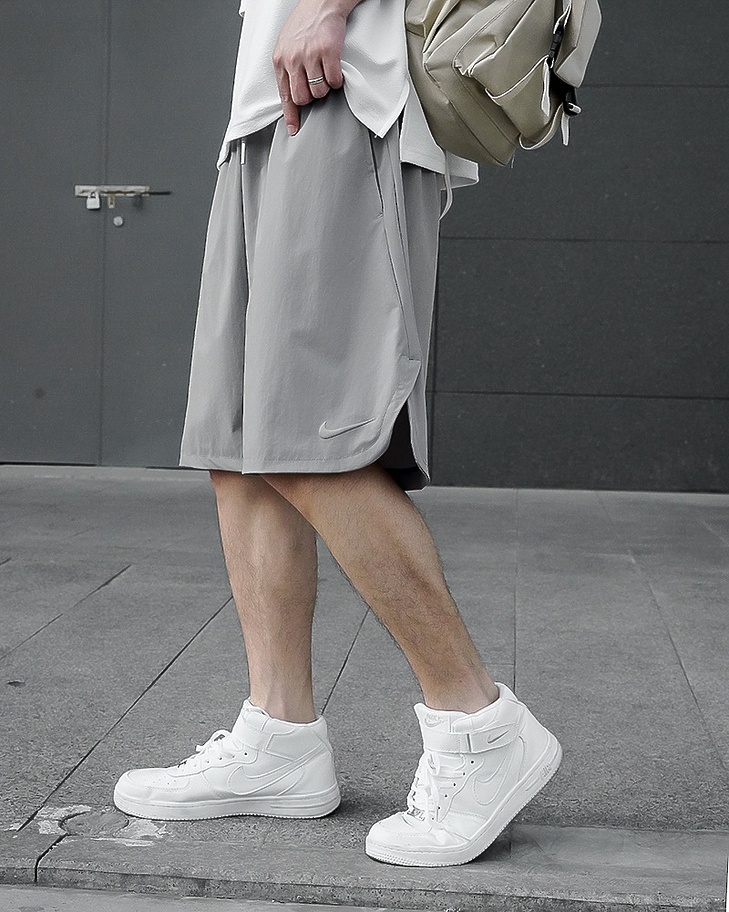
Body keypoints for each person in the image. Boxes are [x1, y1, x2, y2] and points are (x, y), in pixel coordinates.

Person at [113, 0, 562, 867]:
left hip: (350, 98)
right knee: (239, 445)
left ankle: (480, 728)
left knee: (311, 437)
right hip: (267, 110)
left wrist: (326, 7)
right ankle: (278, 738)